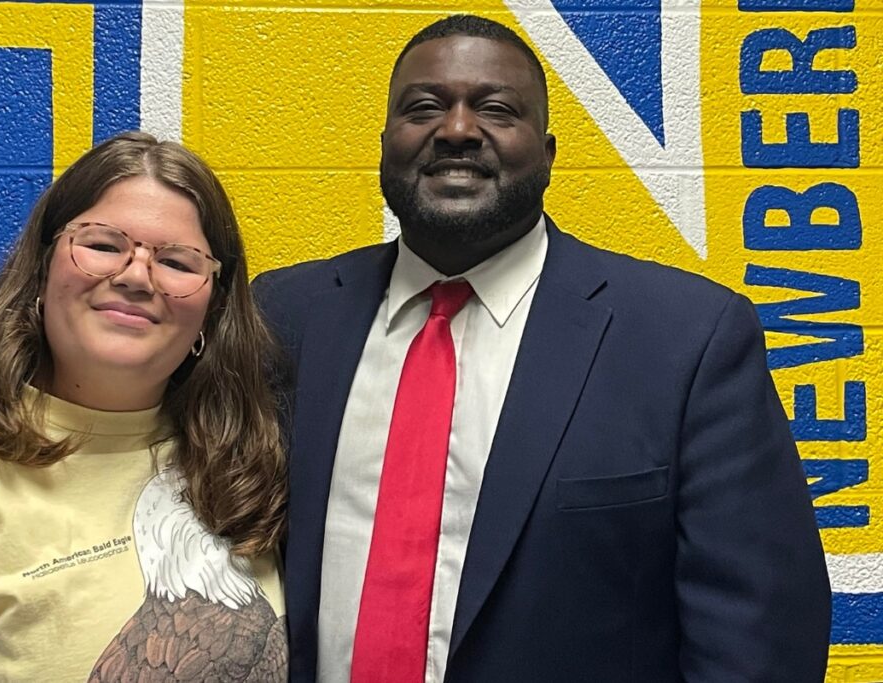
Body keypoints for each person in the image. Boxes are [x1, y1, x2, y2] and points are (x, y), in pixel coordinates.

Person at [253, 14, 832, 683]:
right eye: (424, 108)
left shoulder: (686, 339)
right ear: (385, 144)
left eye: (497, 109)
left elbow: (760, 635)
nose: (457, 129)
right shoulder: (284, 316)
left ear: (549, 153)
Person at [0, 132, 288, 681]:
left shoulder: (243, 473)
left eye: (177, 262)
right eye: (103, 246)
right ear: (42, 268)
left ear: (213, 307)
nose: (136, 277)